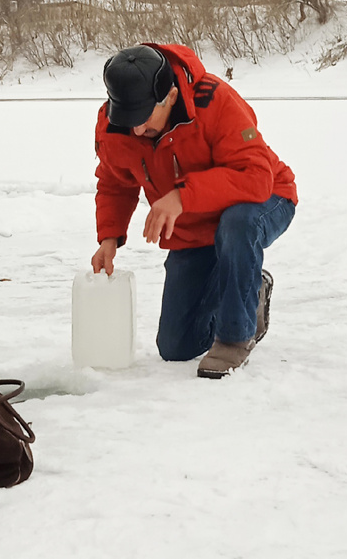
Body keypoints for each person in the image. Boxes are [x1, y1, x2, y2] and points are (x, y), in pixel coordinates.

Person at [91, 44, 298, 378]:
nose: (136, 131)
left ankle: (236, 336)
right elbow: (115, 181)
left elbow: (256, 177)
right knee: (176, 347)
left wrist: (181, 197)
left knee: (237, 223)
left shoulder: (215, 101)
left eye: (143, 119)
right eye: (127, 120)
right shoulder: (117, 123)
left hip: (266, 199)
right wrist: (109, 237)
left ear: (170, 96)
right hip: (194, 226)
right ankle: (247, 288)